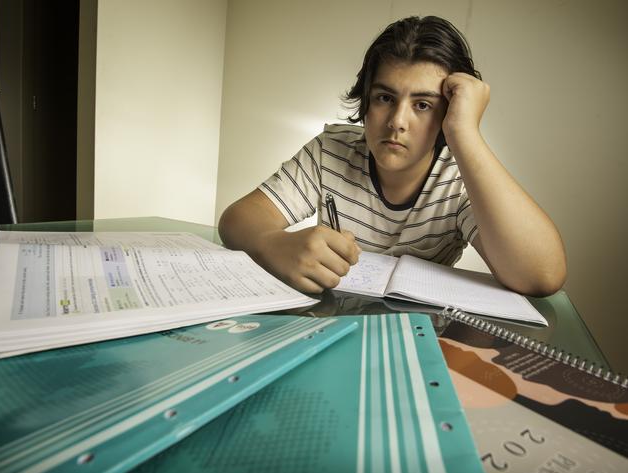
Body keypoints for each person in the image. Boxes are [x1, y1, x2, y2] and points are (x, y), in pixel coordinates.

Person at [219, 15, 566, 297]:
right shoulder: (331, 149)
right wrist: (272, 243)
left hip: (423, 338)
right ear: (366, 102)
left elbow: (542, 276)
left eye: (423, 105)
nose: (397, 122)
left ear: (448, 114)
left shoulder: (461, 179)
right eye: (385, 98)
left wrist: (465, 133)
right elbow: (237, 220)